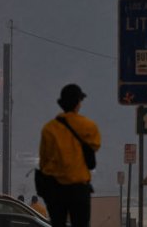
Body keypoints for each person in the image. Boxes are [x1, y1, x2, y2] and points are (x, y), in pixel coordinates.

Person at [38, 84, 101, 227]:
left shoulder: (49, 129)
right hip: (79, 189)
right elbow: (95, 146)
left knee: (58, 223)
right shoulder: (89, 126)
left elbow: (44, 160)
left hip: (55, 189)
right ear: (78, 103)